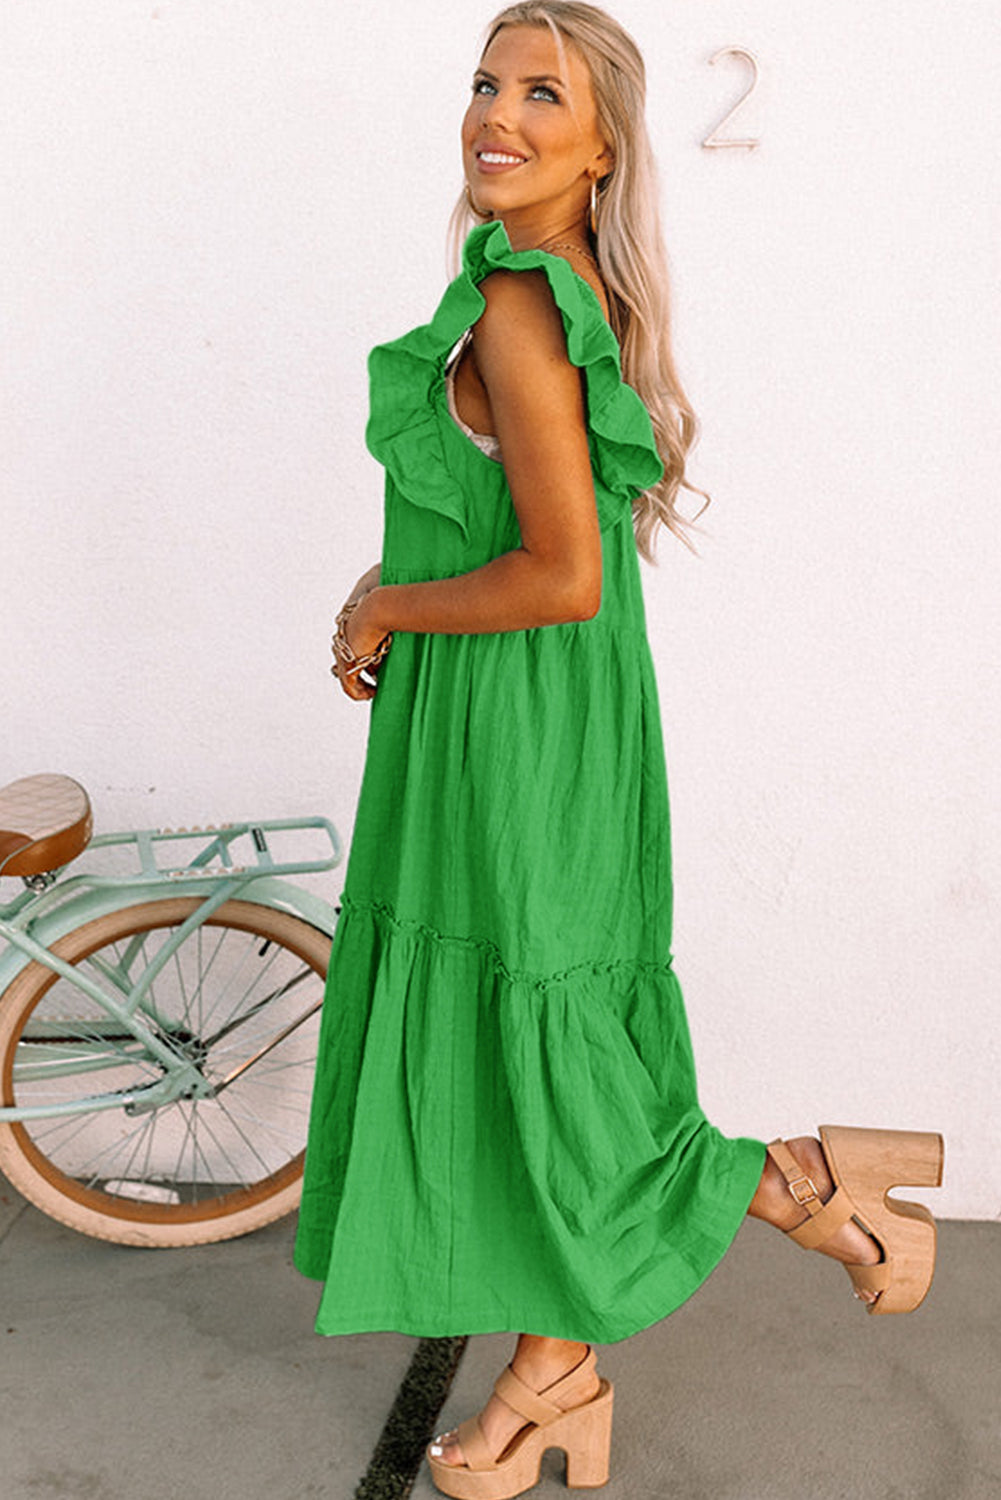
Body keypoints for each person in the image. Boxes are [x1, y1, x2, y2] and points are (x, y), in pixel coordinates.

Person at [294, 5, 944, 1496]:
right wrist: (403, 589)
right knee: (535, 1035)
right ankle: (556, 1374)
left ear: (602, 148)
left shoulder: (524, 305)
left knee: (553, 1045)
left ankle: (805, 1192)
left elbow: (563, 572)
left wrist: (382, 603)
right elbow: (533, 539)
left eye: (544, 93)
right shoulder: (544, 283)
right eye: (487, 82)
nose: (497, 114)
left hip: (519, 722)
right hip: (539, 712)